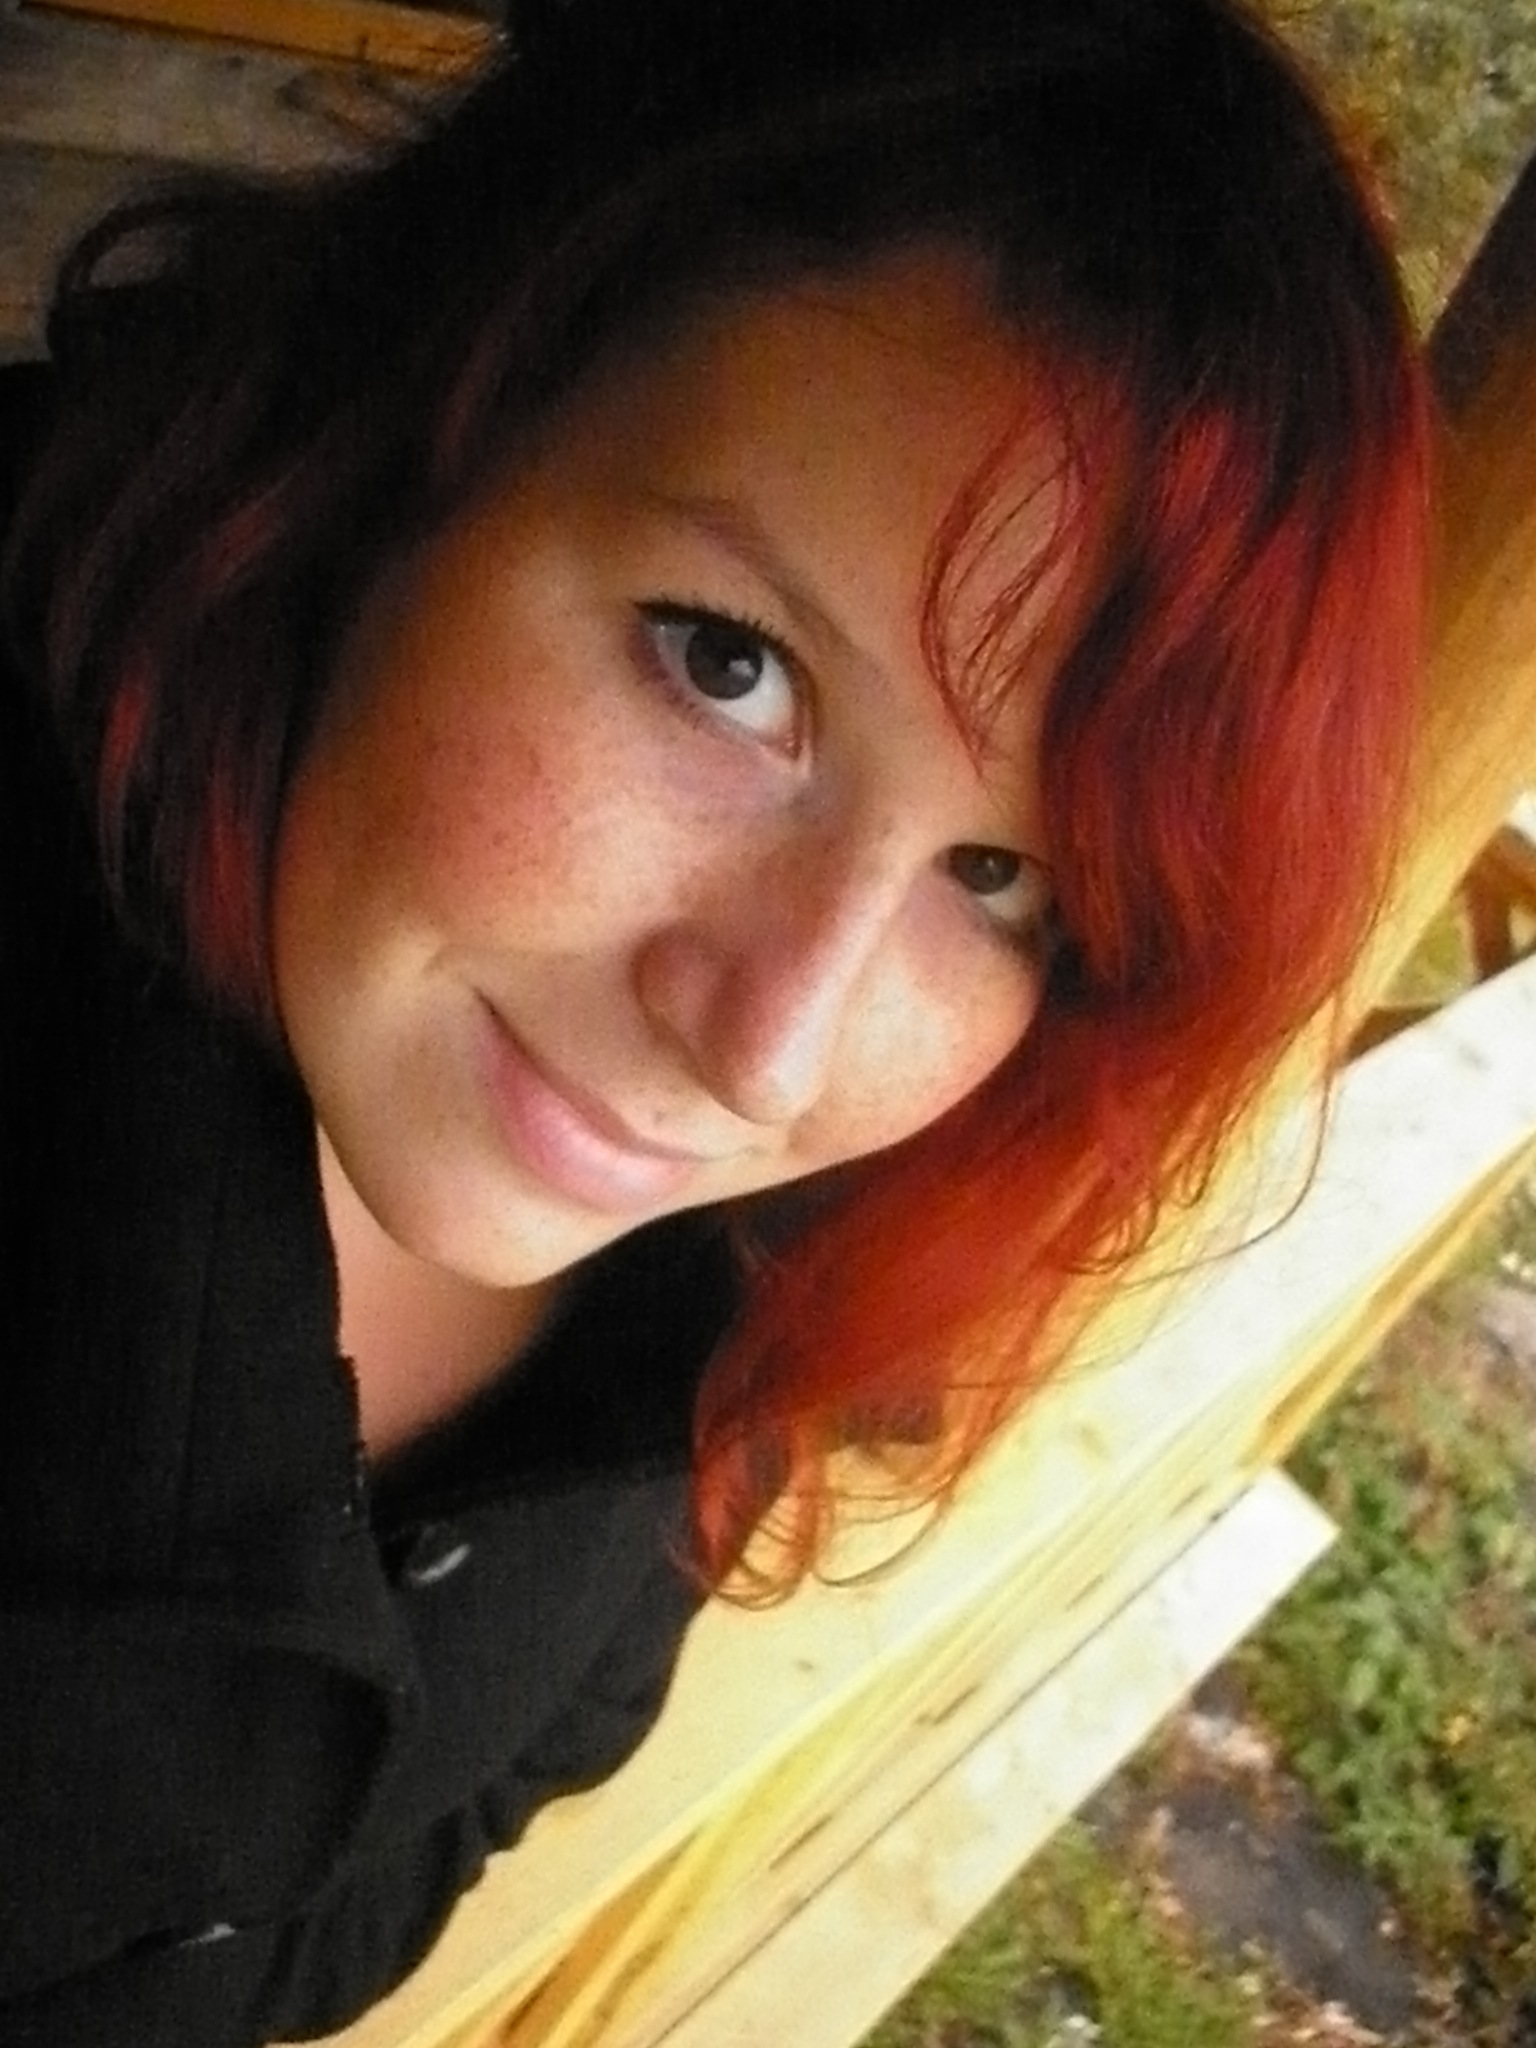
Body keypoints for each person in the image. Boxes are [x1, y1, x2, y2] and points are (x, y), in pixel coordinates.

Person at [0, 0, 1427, 2039]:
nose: (770, 1050)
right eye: (728, 664)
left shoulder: (733, 1300)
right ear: (414, 418)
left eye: (1002, 881)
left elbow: (448, 1814)